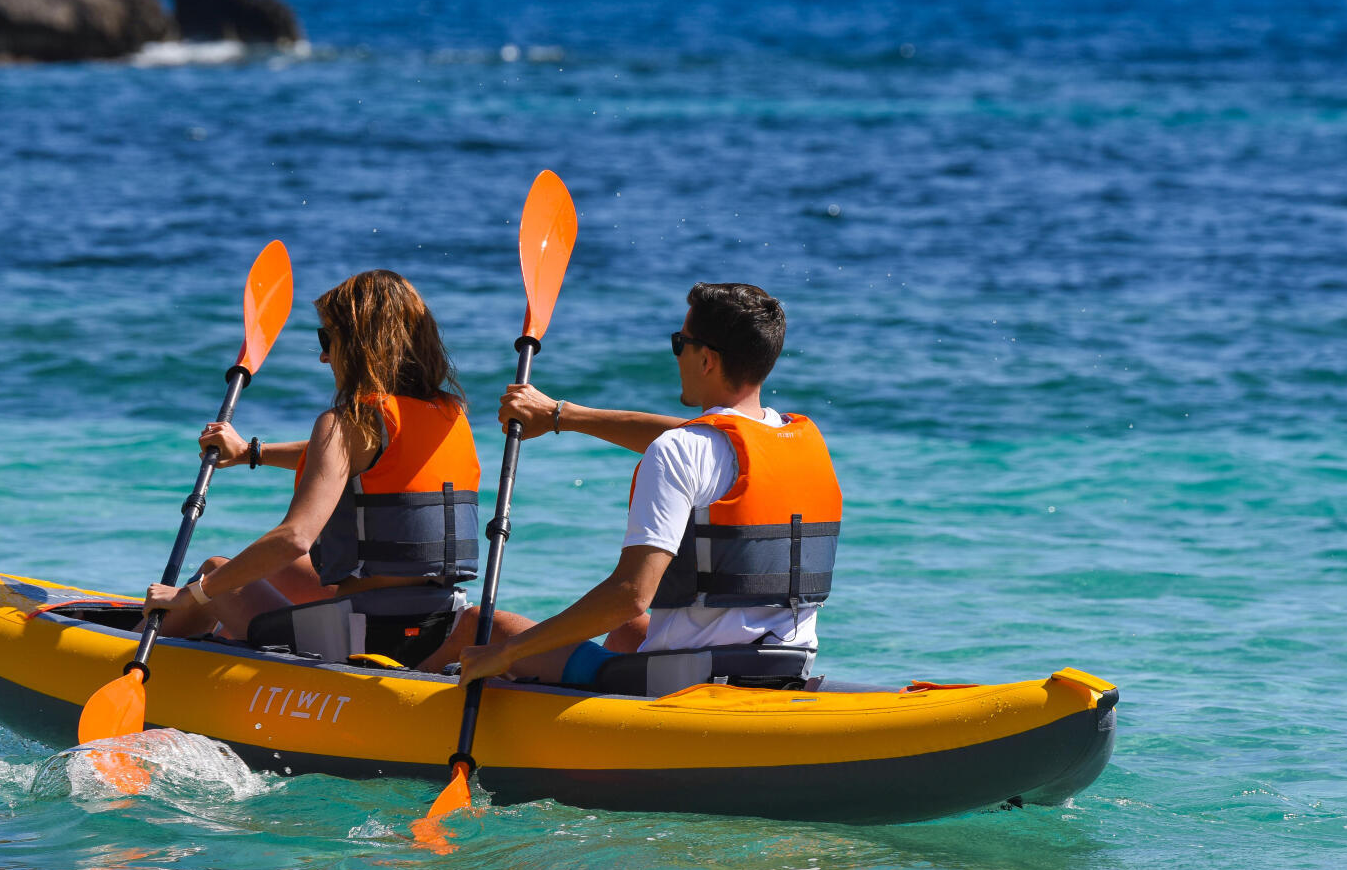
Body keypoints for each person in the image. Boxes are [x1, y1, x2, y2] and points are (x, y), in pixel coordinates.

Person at [452, 281, 842, 695]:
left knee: (488, 629)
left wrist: (508, 653)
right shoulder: (803, 443)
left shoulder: (679, 452)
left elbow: (630, 595)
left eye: (681, 342)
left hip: (693, 680)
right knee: (627, 632)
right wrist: (560, 416)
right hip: (787, 666)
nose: (676, 353)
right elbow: (705, 442)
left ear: (706, 359)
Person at [143, 269, 484, 670]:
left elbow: (295, 538)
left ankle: (134, 651)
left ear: (360, 347)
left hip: (366, 632)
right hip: (437, 619)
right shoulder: (450, 415)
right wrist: (253, 452)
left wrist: (194, 595)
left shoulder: (345, 422)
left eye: (328, 339)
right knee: (283, 573)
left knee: (217, 573)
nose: (324, 355)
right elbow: (359, 461)